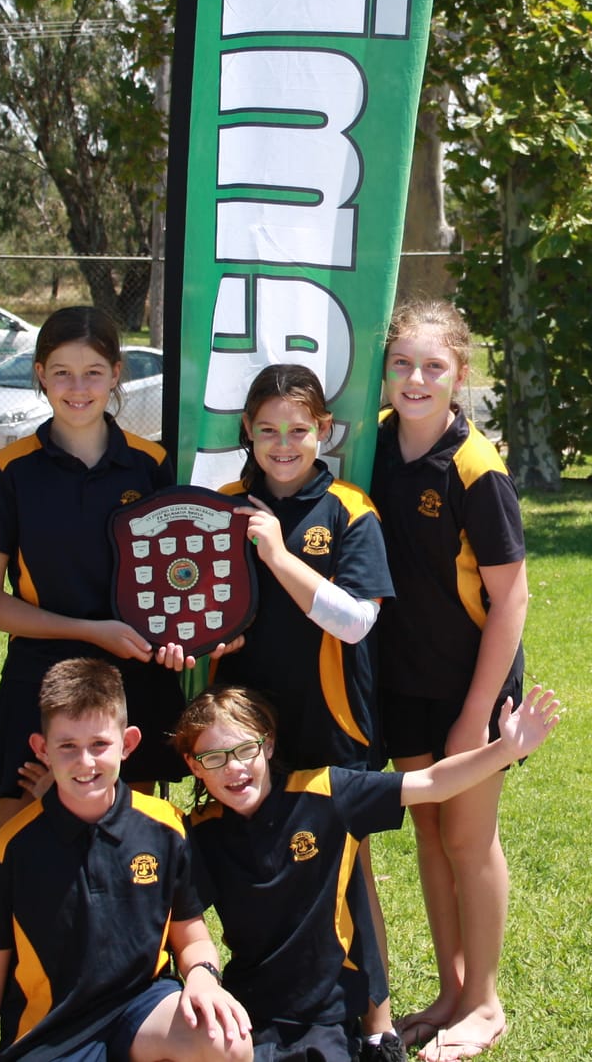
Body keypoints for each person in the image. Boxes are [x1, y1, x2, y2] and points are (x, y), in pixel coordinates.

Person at [0, 307, 183, 1061]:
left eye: (94, 372)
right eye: (62, 372)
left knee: (135, 852)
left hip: (136, 688)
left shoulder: (152, 463)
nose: (78, 387)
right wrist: (91, 630)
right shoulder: (9, 470)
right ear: (39, 375)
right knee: (19, 852)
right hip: (39, 684)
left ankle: (129, 1017)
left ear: (119, 378)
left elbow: (184, 576)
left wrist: (176, 638)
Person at [173, 684, 560, 1062]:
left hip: (324, 1012)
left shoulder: (326, 793)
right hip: (246, 1005)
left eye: (245, 750)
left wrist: (504, 749)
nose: (235, 768)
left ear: (269, 745)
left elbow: (432, 783)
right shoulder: (197, 831)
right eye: (214, 758)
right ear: (193, 765)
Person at [213, 363, 398, 1056]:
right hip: (245, 727)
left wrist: (278, 552)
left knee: (349, 875)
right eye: (267, 431)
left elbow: (354, 621)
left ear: (323, 429)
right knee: (260, 868)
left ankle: (378, 1024)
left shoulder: (350, 509)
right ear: (247, 433)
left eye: (298, 429)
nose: (283, 444)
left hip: (331, 725)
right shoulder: (225, 504)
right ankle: (274, 1009)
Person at [367, 302, 529, 1062]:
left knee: (469, 838)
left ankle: (487, 1001)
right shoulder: (370, 448)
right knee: (429, 833)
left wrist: (476, 716)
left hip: (474, 686)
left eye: (434, 365)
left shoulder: (477, 468)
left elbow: (512, 599)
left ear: (461, 374)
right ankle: (451, 989)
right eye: (402, 363)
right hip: (404, 681)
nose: (416, 378)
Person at [0, 658, 252, 1062]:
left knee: (227, 1040)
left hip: (141, 1010)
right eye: (68, 747)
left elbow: (193, 936)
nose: (86, 762)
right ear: (42, 749)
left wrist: (203, 978)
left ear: (128, 743)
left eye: (99, 744)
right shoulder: (13, 848)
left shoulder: (167, 828)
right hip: (51, 1031)